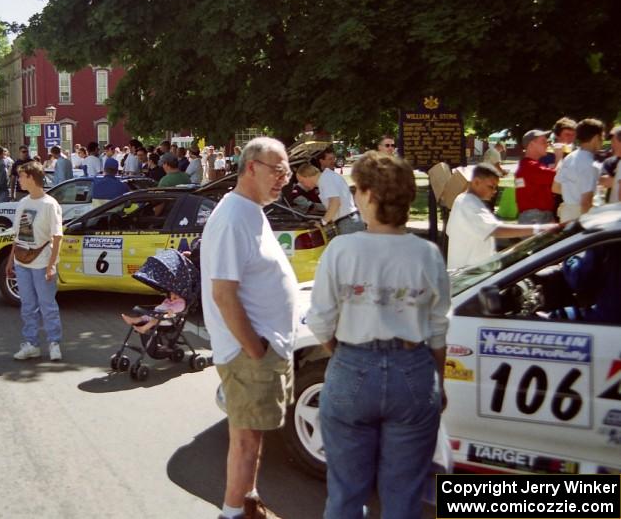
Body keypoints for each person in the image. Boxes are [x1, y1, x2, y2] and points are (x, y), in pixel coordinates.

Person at [306, 151, 450, 519]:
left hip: (353, 364)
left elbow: (320, 319)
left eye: (357, 188)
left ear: (370, 195)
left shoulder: (342, 249)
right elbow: (437, 328)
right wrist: (438, 380)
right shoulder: (427, 254)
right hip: (413, 370)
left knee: (345, 494)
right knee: (403, 495)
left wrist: (341, 350)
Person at [201, 137, 297, 519]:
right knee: (245, 440)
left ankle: (248, 501)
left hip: (259, 350)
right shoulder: (232, 217)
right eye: (278, 170)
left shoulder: (250, 210)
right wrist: (255, 349)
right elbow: (224, 294)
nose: (284, 179)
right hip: (248, 354)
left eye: (286, 171)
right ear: (251, 167)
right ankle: (233, 512)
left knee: (253, 438)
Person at [6, 161, 65, 362]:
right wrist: (10, 260)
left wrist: (51, 265)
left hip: (42, 262)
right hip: (22, 262)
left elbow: (57, 237)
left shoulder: (50, 204)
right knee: (27, 305)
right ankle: (31, 343)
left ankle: (54, 342)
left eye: (21, 176)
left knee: (47, 304)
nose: (19, 180)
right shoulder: (23, 203)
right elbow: (18, 235)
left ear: (31, 177)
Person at [447, 164, 555, 269]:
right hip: (467, 276)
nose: (494, 191)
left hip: (474, 273)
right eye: (491, 186)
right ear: (476, 182)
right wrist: (539, 229)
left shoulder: (468, 201)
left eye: (496, 187)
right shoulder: (468, 203)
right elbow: (496, 230)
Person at [553, 118, 603, 222]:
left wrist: (571, 194)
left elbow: (555, 187)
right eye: (601, 137)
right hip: (581, 217)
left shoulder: (569, 157)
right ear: (596, 138)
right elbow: (586, 202)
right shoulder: (590, 164)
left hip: (566, 215)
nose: (602, 142)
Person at [296, 162, 364, 234]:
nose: (303, 185)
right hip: (348, 221)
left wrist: (323, 222)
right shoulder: (327, 177)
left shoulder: (326, 180)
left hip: (348, 223)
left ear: (307, 176)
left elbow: (335, 202)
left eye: (302, 181)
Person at [515, 129, 564, 224]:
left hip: (536, 216)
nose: (547, 145)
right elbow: (558, 177)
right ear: (532, 144)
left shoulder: (528, 165)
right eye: (543, 142)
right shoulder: (531, 166)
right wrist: (559, 157)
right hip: (536, 218)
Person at [120, 291, 186, 334]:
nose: (174, 296)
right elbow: (162, 306)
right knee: (144, 317)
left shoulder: (180, 303)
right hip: (158, 315)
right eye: (172, 294)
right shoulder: (168, 300)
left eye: (177, 295)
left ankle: (143, 328)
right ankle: (133, 320)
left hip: (169, 320)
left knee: (155, 319)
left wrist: (169, 310)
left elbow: (173, 310)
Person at [599, 125, 621, 204]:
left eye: (613, 141)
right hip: (612, 209)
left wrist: (614, 180)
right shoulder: (609, 161)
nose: (611, 145)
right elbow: (603, 181)